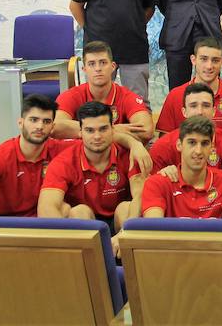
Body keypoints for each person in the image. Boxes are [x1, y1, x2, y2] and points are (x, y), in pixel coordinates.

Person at [0, 94, 150, 217]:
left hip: (44, 221)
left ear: (53, 127)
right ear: (20, 123)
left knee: (71, 210)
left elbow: (97, 139)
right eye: (33, 120)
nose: (39, 126)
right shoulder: (2, 154)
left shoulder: (62, 150)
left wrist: (133, 143)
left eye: (46, 121)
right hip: (2, 220)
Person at [38, 101, 147, 254]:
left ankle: (128, 266)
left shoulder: (129, 155)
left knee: (126, 208)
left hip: (120, 223)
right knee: (77, 212)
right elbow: (46, 207)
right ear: (80, 133)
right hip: (84, 225)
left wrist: (124, 232)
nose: (97, 136)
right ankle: (87, 262)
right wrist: (66, 240)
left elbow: (141, 196)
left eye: (103, 129)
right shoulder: (64, 161)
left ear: (113, 130)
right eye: (90, 130)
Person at [141, 116, 222, 219]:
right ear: (179, 145)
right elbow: (154, 230)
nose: (198, 151)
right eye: (192, 142)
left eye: (205, 143)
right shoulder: (156, 184)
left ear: (212, 147)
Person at [149, 83, 222, 187]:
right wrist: (161, 175)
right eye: (193, 106)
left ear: (214, 111)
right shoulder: (163, 145)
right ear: (184, 112)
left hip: (216, 200)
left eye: (206, 106)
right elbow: (147, 184)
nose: (200, 112)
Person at [54, 41, 153, 143]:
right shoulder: (72, 95)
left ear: (113, 66)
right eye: (91, 64)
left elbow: (146, 130)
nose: (98, 69)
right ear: (84, 69)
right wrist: (111, 129)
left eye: (103, 63)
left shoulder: (126, 96)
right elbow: (55, 127)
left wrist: (86, 131)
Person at [155, 37, 222, 134]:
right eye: (203, 59)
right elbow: (164, 140)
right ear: (193, 60)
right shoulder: (175, 95)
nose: (209, 66)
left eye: (215, 60)